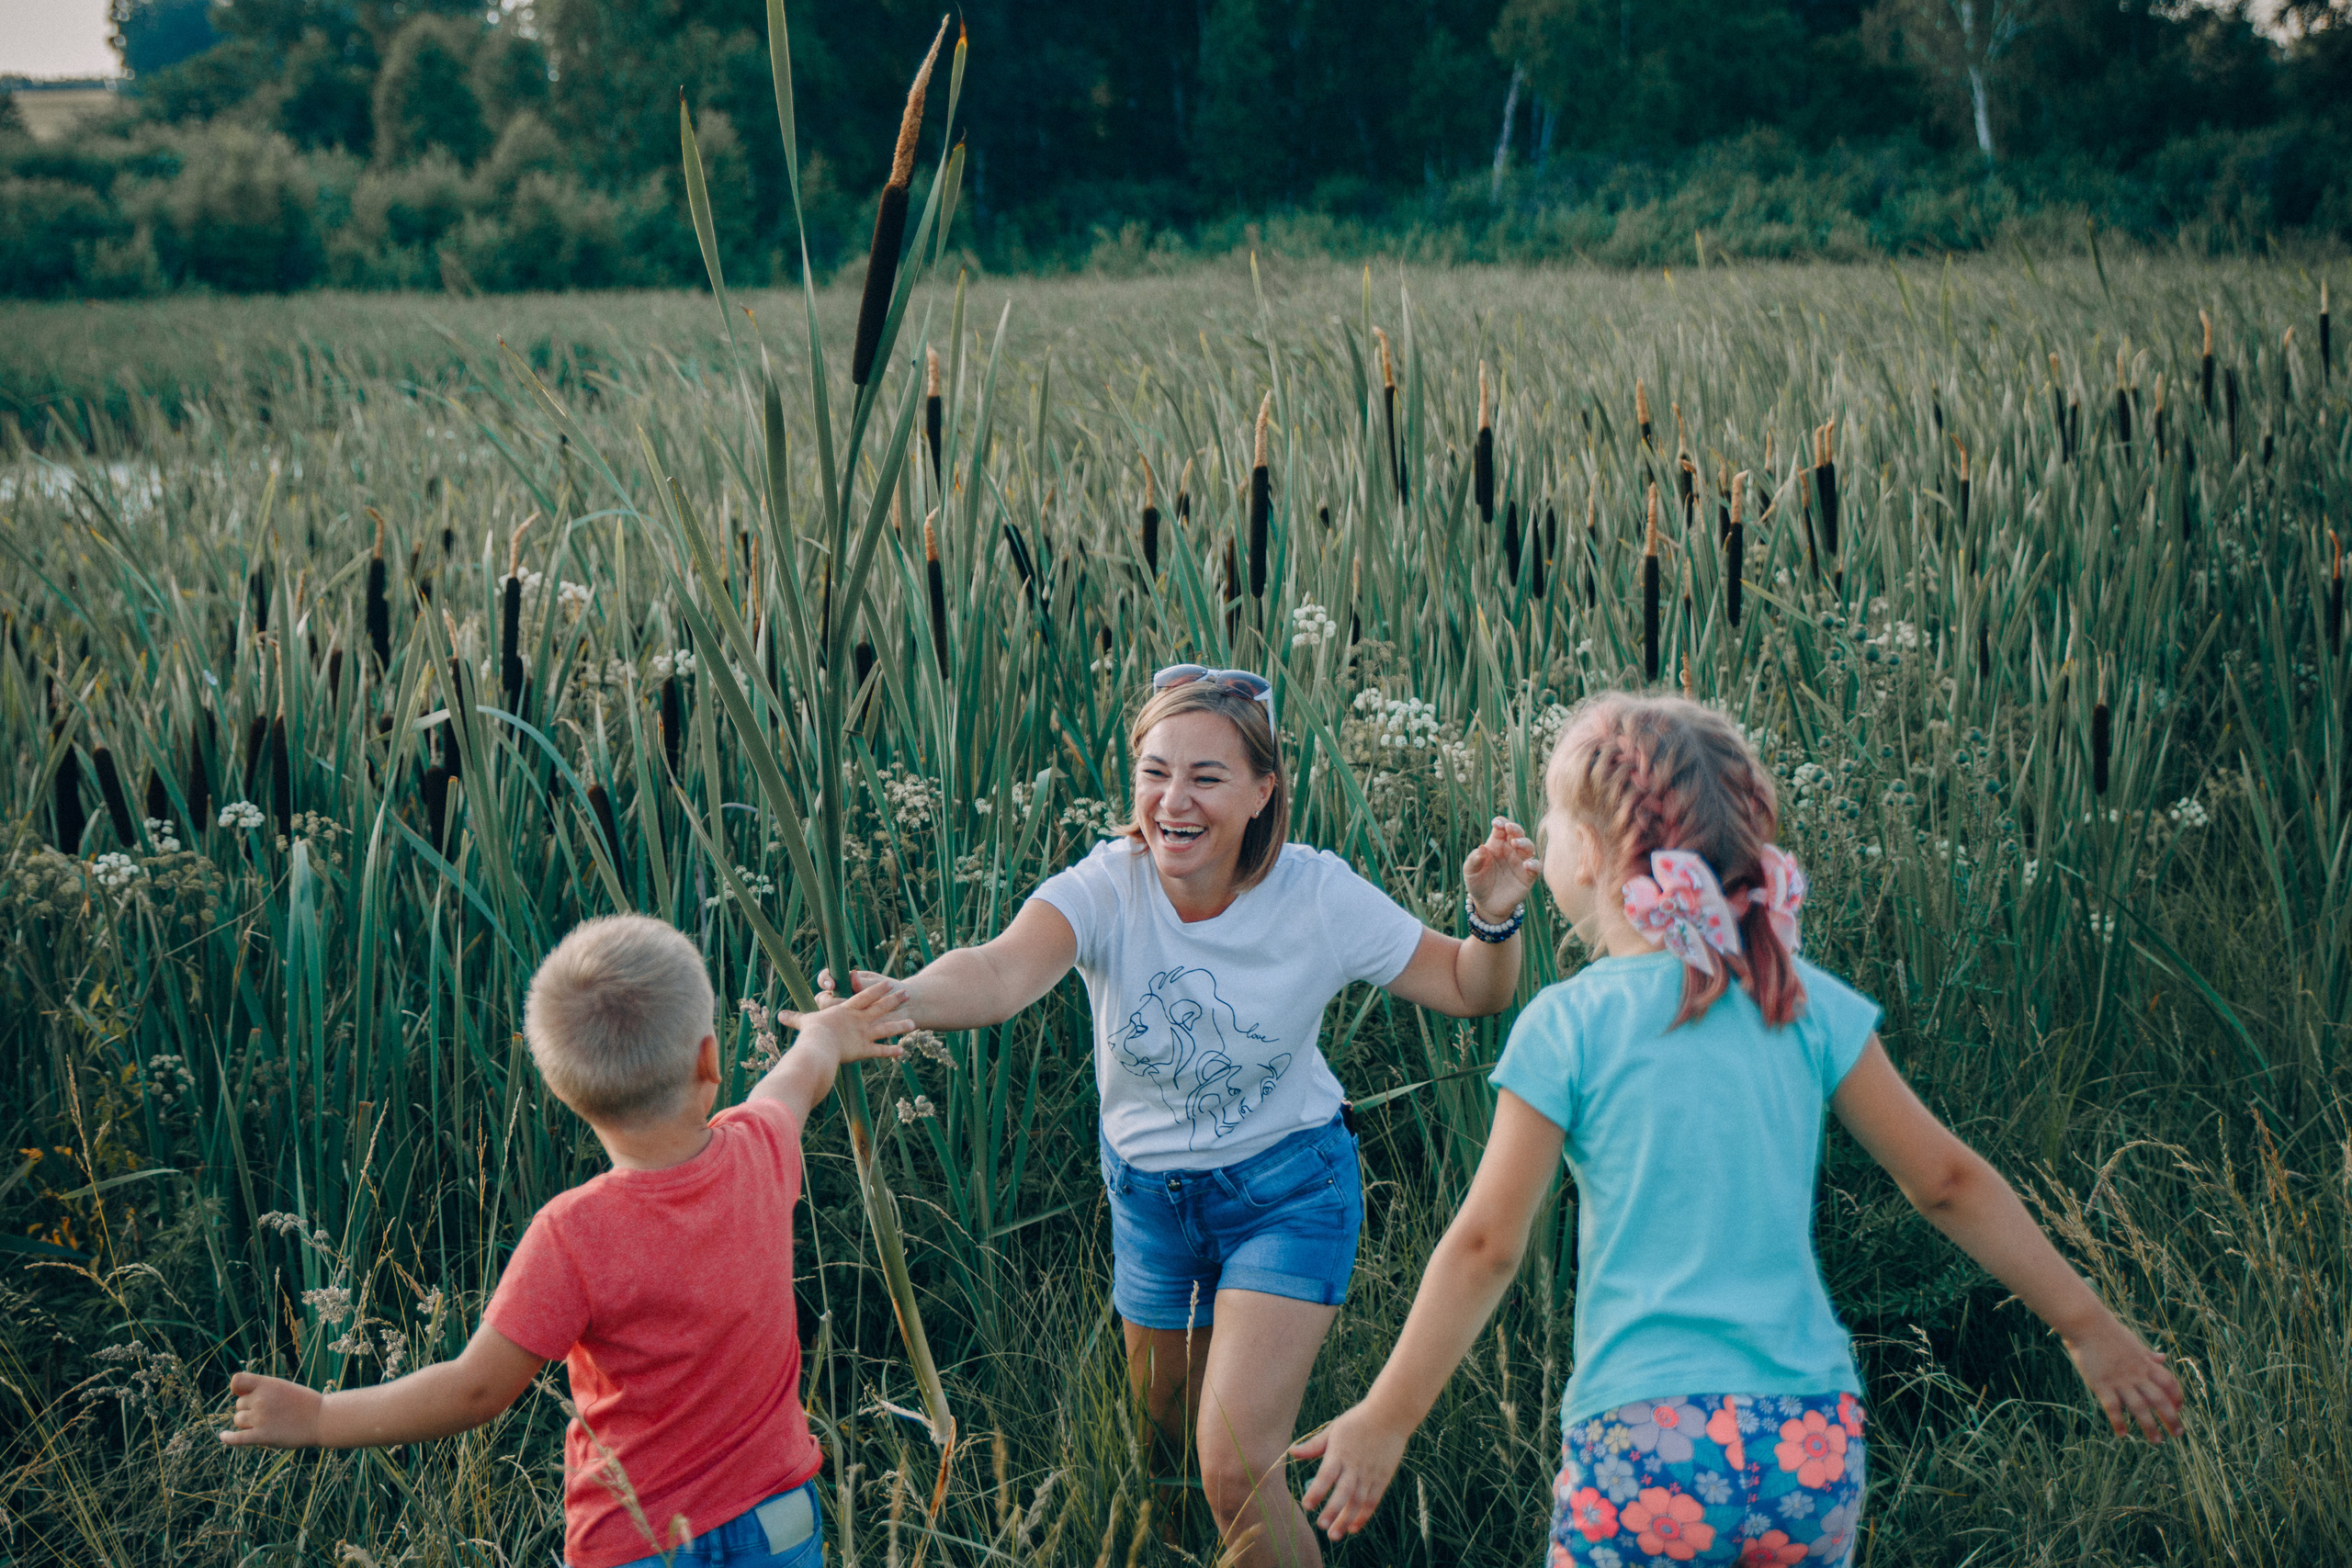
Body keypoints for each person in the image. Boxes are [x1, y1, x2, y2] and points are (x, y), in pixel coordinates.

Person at [1287, 693, 2186, 1565]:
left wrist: (1388, 1415)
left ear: (1593, 855)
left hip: (1647, 1436)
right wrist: (2085, 1326)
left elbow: (1486, 1245)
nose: (1547, 841)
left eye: (1553, 826)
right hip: (1809, 1437)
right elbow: (1945, 1182)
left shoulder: (1566, 1024)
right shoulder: (1800, 999)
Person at [826, 664, 1539, 1567]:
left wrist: (1490, 919)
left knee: (1234, 1471)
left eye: (1206, 777)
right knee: (1164, 1465)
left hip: (1289, 1191)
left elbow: (1470, 991)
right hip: (1151, 1206)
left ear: (1261, 792)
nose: (1174, 799)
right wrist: (902, 1000)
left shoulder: (1317, 895)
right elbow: (1001, 971)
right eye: (1155, 772)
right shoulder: (1107, 884)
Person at [220, 914, 913, 1568]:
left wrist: (317, 1415)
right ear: (709, 1059)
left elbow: (473, 1390)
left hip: (638, 1542)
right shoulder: (761, 1149)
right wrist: (829, 1030)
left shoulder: (572, 1233)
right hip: (778, 1518)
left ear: (565, 1090)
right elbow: (802, 1070)